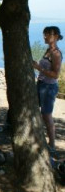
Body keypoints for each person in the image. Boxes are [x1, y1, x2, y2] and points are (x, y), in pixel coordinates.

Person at [33, 26, 63, 154]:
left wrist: (39, 68)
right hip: (41, 84)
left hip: (49, 87)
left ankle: (52, 144)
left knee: (46, 115)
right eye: (44, 34)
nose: (45, 36)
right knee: (39, 113)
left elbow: (56, 74)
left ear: (55, 36)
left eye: (47, 34)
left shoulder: (56, 53)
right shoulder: (48, 50)